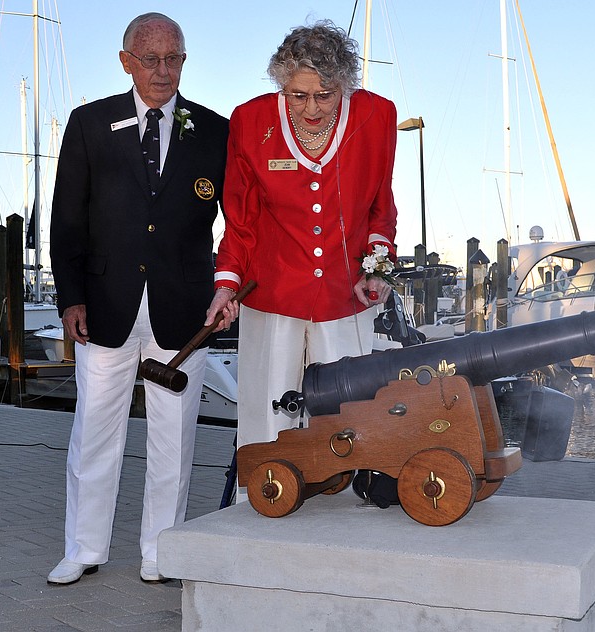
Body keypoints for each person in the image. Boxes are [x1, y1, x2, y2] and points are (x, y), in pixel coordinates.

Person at [47, 12, 233, 585]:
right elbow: (66, 220)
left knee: (173, 444)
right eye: (150, 59)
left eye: (174, 58)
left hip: (184, 311)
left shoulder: (216, 131)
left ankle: (160, 552)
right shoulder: (87, 123)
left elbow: (240, 222)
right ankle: (83, 548)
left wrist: (230, 285)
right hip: (104, 306)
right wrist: (70, 297)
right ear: (126, 60)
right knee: (95, 434)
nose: (163, 70)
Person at [206, 20, 398, 483]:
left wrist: (377, 268)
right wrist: (226, 284)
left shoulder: (377, 117)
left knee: (347, 412)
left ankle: (346, 507)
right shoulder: (250, 121)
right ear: (280, 84)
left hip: (343, 295)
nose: (310, 107)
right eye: (297, 95)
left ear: (346, 86)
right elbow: (241, 219)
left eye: (325, 94)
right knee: (267, 413)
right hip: (272, 293)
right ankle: (261, 499)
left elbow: (380, 207)